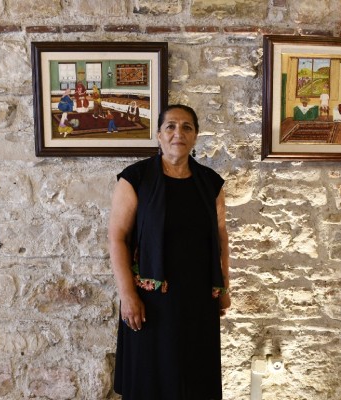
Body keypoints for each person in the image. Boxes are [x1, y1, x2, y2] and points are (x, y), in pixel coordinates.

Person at [109, 104, 231, 399]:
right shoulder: (135, 178)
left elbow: (221, 238)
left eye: (187, 127)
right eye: (171, 127)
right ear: (159, 135)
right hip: (150, 302)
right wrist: (127, 295)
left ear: (196, 136)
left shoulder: (210, 183)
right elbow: (117, 237)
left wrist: (224, 286)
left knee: (194, 382)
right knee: (150, 382)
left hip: (198, 300)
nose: (179, 133)